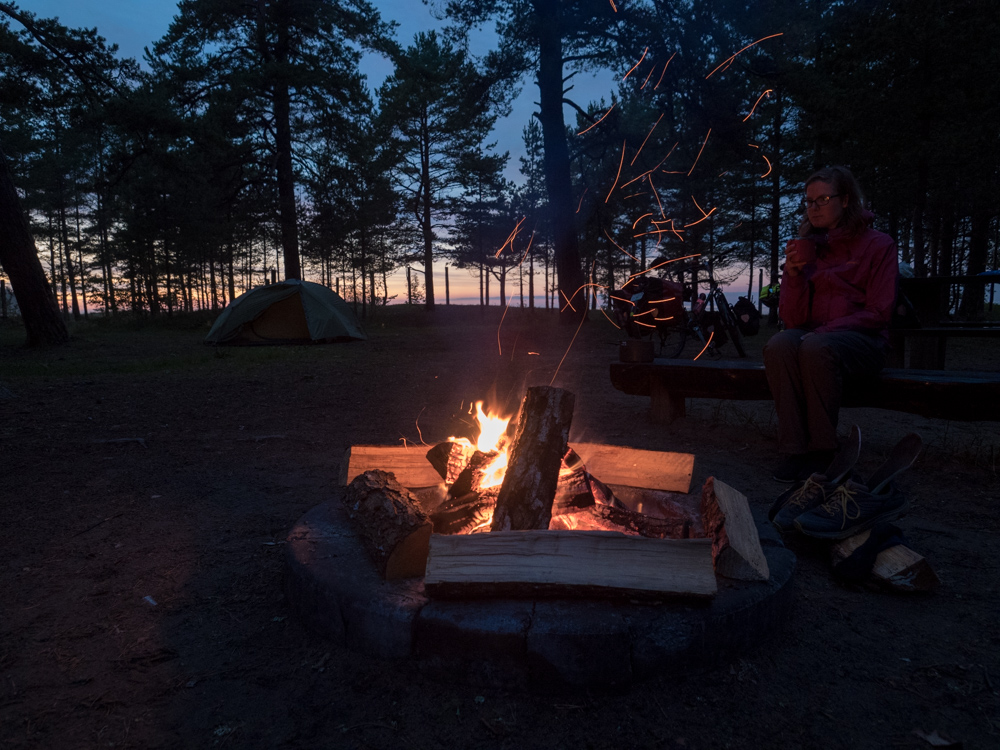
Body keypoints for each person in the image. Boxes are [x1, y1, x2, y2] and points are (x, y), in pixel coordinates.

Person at [764, 166, 898, 483]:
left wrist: (824, 331)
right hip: (815, 339)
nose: (813, 208)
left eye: (822, 199)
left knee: (813, 345)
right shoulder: (809, 246)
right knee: (779, 345)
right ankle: (794, 450)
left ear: (846, 200)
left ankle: (823, 452)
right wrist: (793, 275)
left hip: (863, 343)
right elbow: (793, 320)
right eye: (808, 201)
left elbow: (879, 312)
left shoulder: (878, 245)